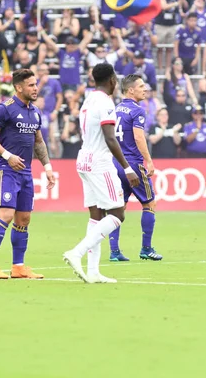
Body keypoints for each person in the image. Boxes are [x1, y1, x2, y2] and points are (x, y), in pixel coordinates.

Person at [62, 63, 140, 284]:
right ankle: (76, 252)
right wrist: (127, 168)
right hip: (99, 162)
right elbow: (110, 137)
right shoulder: (105, 103)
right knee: (117, 214)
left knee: (96, 216)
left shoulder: (88, 99)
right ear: (113, 81)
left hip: (84, 158)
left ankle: (93, 271)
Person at [0, 69, 55, 279]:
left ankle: (18, 266)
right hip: (7, 170)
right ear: (18, 87)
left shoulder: (35, 112)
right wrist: (7, 156)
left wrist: (48, 168)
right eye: (31, 85)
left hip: (26, 172)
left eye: (36, 84)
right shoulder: (5, 109)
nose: (35, 88)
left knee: (24, 218)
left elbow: (38, 141)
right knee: (5, 215)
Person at [108, 75, 163, 263]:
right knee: (149, 204)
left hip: (116, 163)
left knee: (118, 208)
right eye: (141, 86)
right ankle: (146, 249)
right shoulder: (137, 110)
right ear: (131, 90)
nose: (145, 89)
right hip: (133, 163)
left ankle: (114, 251)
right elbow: (139, 137)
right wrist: (148, 160)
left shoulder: (115, 109)